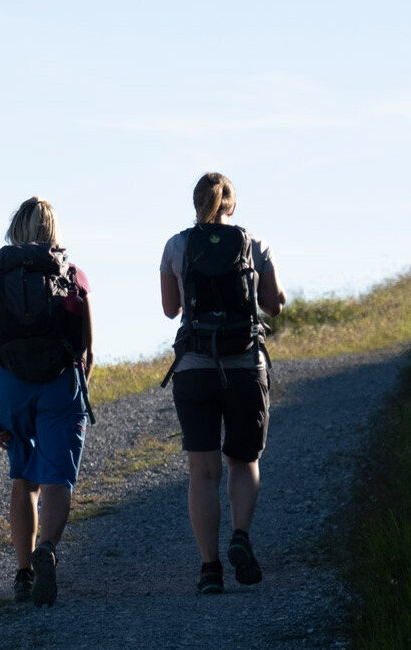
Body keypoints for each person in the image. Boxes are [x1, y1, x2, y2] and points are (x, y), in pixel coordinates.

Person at [158, 172, 286, 594]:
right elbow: (273, 305)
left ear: (196, 203)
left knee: (203, 471)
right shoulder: (255, 245)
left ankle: (210, 569)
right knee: (244, 460)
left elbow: (170, 309)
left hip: (195, 368)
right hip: (245, 365)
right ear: (233, 205)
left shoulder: (176, 246)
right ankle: (241, 537)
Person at [0, 196, 93, 607]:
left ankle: (24, 573)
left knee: (23, 480)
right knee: (57, 476)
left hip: (11, 387)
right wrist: (76, 392)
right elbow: (86, 349)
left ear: (17, 229)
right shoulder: (72, 275)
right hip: (60, 383)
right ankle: (47, 547)